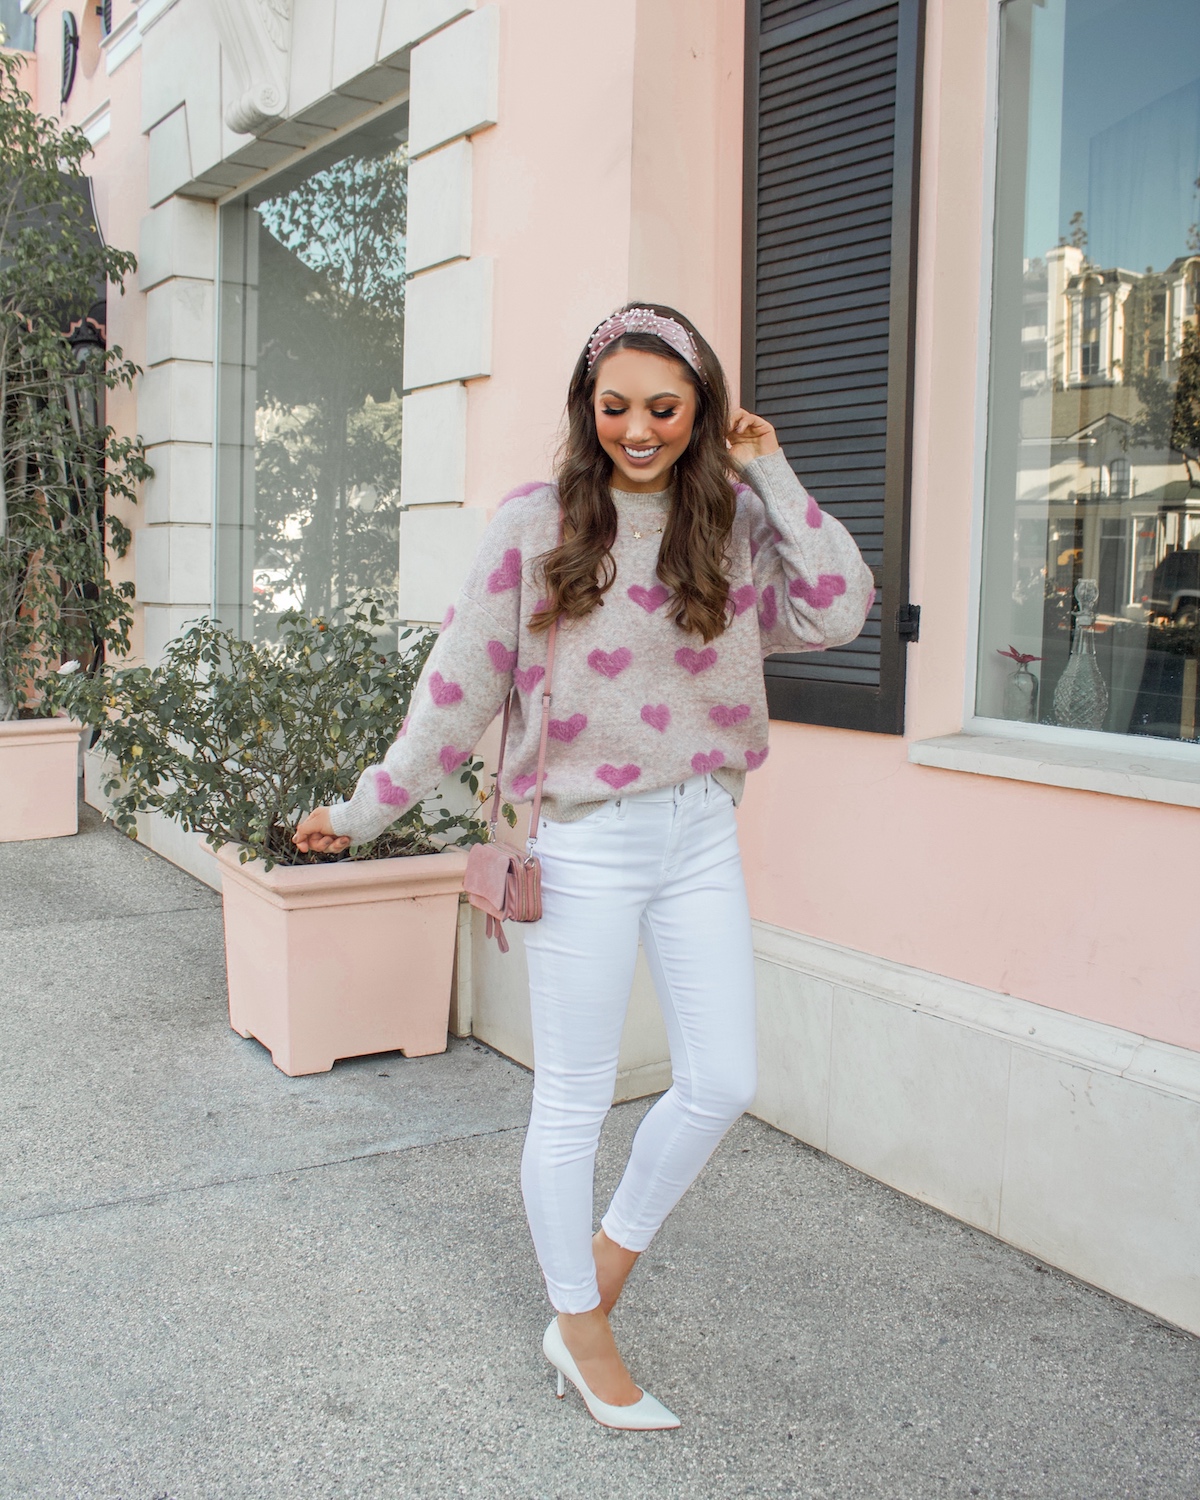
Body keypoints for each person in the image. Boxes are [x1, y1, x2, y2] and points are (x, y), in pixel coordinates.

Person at [294, 303, 874, 1430]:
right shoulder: (538, 526)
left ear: (702, 410)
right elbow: (455, 691)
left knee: (722, 1081)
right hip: (582, 838)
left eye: (665, 407)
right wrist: (366, 812)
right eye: (616, 408)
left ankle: (593, 1278)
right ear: (588, 408)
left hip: (702, 825)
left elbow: (841, 604)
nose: (638, 430)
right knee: (573, 1098)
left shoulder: (736, 526)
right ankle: (584, 1328)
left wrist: (773, 470)